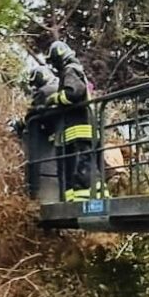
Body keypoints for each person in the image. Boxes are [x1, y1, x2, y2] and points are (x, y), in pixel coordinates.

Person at [44, 40, 101, 201]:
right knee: (79, 165)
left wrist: (56, 98)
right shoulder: (74, 70)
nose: (54, 66)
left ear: (59, 58)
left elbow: (73, 94)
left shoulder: (70, 70)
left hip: (80, 126)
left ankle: (86, 199)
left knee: (83, 164)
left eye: (54, 61)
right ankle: (75, 199)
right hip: (78, 126)